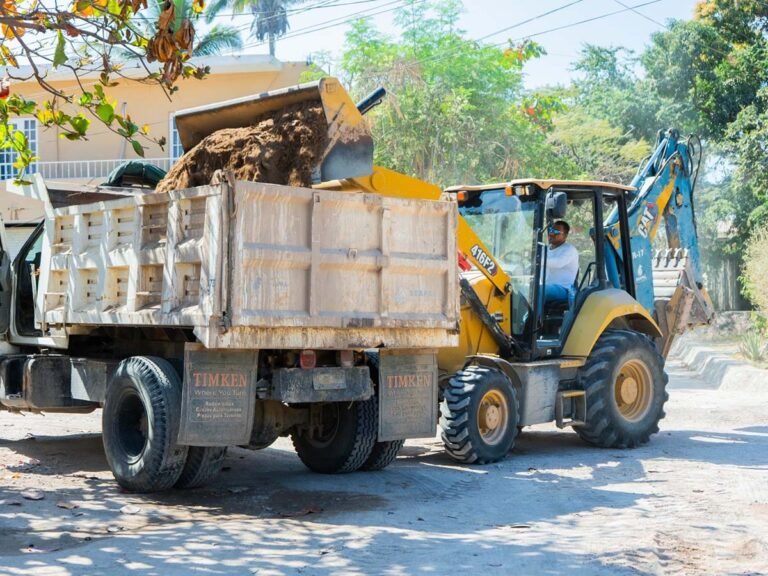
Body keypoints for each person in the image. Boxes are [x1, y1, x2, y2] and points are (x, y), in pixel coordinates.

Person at [544, 220, 579, 305]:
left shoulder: (569, 250)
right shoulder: (546, 249)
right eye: (551, 230)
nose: (551, 234)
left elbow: (558, 263)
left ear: (565, 236)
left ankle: (533, 317)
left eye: (556, 231)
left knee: (537, 290)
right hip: (547, 286)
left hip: (563, 289)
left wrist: (538, 260)